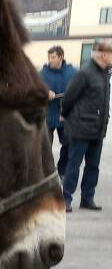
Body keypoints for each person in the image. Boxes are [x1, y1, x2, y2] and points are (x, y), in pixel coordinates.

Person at [61, 39, 112, 212]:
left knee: (93, 166)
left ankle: (87, 198)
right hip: (81, 128)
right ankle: (65, 199)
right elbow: (69, 97)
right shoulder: (85, 73)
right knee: (74, 165)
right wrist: (66, 115)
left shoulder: (105, 73)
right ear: (104, 55)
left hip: (98, 129)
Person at [39, 46, 77, 178]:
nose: (50, 60)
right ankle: (48, 171)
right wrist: (45, 91)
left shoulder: (72, 72)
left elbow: (79, 89)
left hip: (65, 115)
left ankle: (62, 170)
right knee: (45, 147)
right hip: (48, 115)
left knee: (68, 144)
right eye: (49, 57)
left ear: (61, 57)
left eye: (53, 57)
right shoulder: (42, 73)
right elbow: (35, 87)